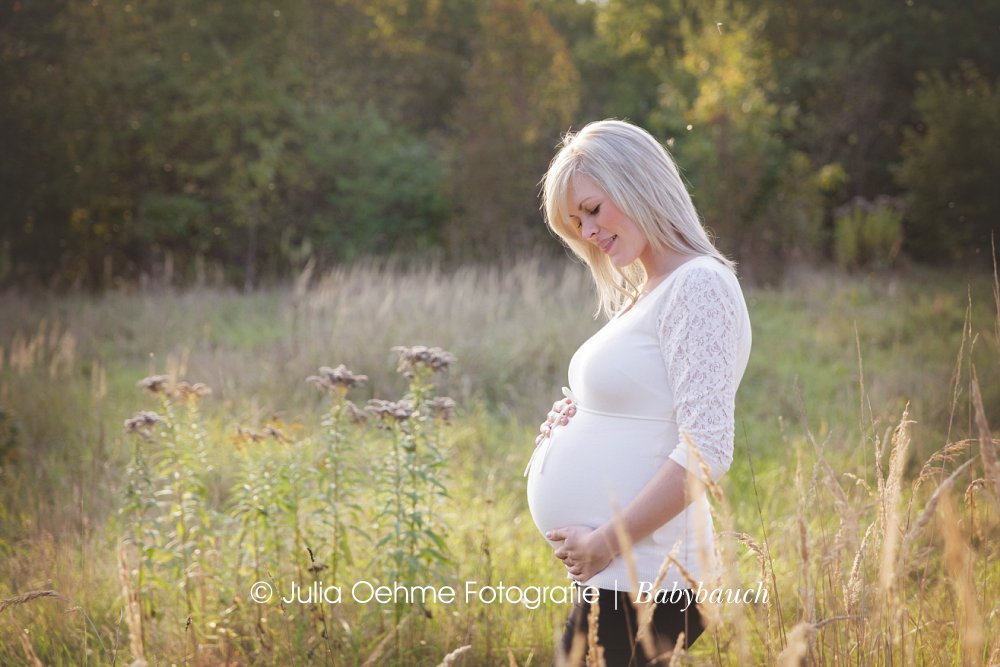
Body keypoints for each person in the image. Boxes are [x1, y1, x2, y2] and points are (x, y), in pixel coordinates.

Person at [524, 119, 752, 665]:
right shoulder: (651, 289)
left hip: (647, 574)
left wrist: (605, 542)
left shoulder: (697, 285)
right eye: (576, 222)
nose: (588, 232)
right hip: (624, 573)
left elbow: (707, 449)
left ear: (638, 183)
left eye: (594, 209)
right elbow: (652, 406)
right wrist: (584, 415)